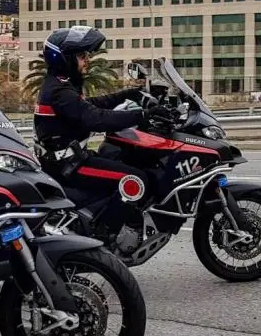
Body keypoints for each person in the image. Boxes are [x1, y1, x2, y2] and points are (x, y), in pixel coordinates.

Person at [33, 26, 170, 238]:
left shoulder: (61, 85)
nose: (87, 59)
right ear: (64, 58)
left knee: (120, 157)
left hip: (72, 158)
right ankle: (104, 236)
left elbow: (90, 105)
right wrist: (143, 115)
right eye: (81, 55)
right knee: (135, 180)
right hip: (69, 165)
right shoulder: (59, 91)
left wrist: (128, 94)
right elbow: (95, 118)